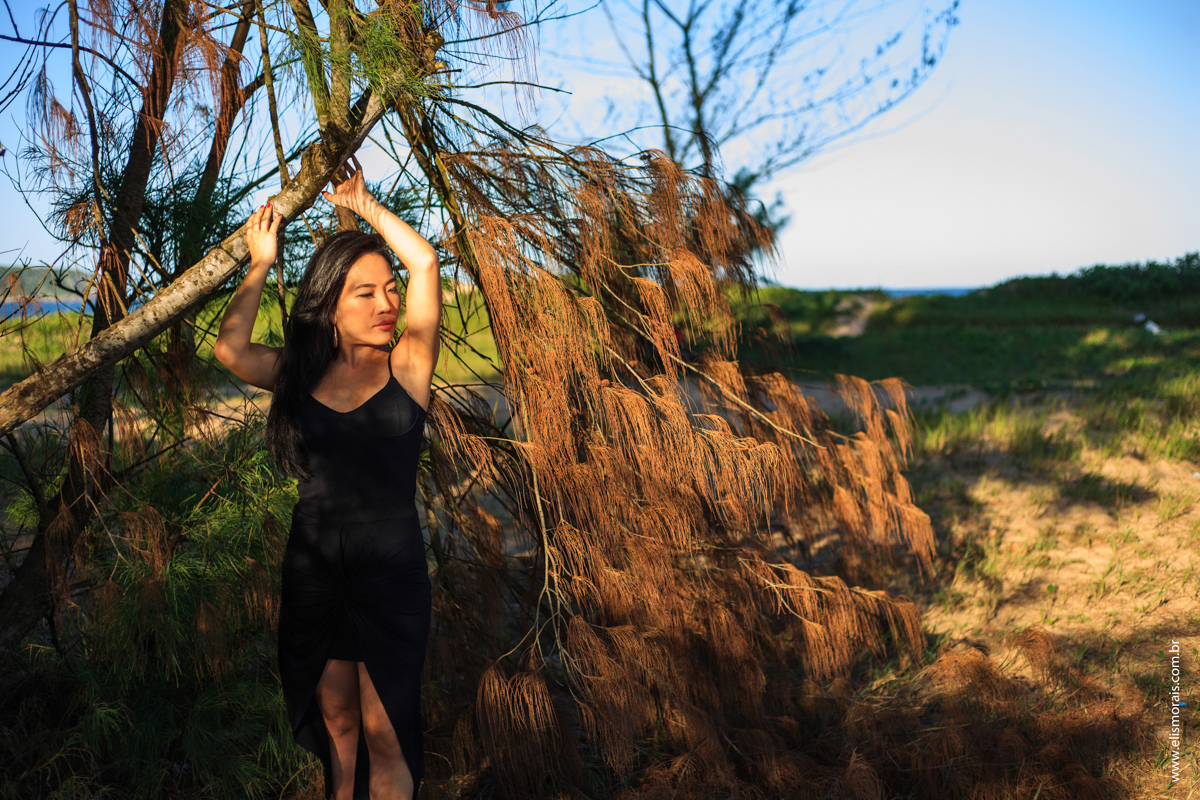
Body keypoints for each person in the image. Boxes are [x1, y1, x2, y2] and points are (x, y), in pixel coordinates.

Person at [214, 155, 441, 800]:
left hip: (389, 574)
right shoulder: (300, 373)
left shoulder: (408, 367)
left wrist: (365, 210)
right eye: (365, 293)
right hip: (315, 570)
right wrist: (260, 263)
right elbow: (229, 349)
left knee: (385, 733)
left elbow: (423, 262)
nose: (387, 302)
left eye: (388, 289)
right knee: (339, 730)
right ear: (330, 309)